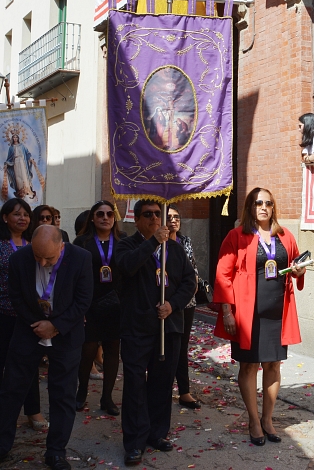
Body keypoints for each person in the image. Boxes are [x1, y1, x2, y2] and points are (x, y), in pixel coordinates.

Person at [213, 188, 306, 446]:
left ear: (273, 207)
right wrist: (227, 311)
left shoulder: (284, 235)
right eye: (257, 203)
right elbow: (223, 275)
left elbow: (295, 267)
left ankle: (267, 419)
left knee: (273, 365)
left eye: (267, 203)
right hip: (247, 313)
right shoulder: (236, 236)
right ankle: (253, 420)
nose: (263, 207)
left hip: (278, 311)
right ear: (249, 208)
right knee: (249, 366)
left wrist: (298, 271)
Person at [0, 225, 93, 470]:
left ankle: (55, 451)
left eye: (48, 258)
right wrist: (38, 324)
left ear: (61, 245)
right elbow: (15, 295)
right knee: (12, 389)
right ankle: (2, 444)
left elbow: (83, 299)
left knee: (62, 394)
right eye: (37, 256)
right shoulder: (20, 258)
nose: (41, 263)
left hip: (66, 334)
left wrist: (55, 326)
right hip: (29, 330)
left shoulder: (81, 258)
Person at [114, 200, 196, 467]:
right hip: (137, 328)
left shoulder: (174, 248)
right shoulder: (127, 245)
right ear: (136, 219)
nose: (153, 219)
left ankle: (156, 434)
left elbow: (189, 282)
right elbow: (126, 267)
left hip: (168, 327)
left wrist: (173, 305)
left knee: (161, 384)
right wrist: (152, 243)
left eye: (157, 214)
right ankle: (134, 442)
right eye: (147, 215)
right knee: (136, 386)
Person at [0, 198, 47, 431]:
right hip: (4, 313)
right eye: (16, 214)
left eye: (26, 214)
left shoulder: (34, 243)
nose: (22, 218)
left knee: (28, 365)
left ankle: (33, 411)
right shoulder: (1, 244)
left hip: (29, 314)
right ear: (5, 217)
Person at [73, 201, 122, 416]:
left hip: (116, 304)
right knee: (87, 351)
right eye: (100, 214)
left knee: (112, 351)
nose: (105, 217)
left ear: (114, 217)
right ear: (92, 218)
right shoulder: (81, 242)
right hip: (89, 304)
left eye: (110, 214)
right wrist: (78, 307)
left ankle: (107, 397)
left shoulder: (123, 242)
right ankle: (81, 392)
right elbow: (74, 277)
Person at [166, 205, 200, 410]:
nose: (174, 221)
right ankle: (164, 388)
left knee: (182, 346)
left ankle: (184, 391)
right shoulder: (157, 242)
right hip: (165, 302)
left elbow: (192, 270)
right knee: (167, 346)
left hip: (186, 302)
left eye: (177, 217)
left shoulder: (185, 241)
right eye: (169, 217)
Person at [4, 133, 36, 200]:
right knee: (17, 176)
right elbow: (9, 158)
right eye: (14, 137)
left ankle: (27, 190)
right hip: (15, 162)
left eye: (16, 137)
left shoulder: (22, 146)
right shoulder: (11, 148)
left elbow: (27, 153)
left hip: (22, 161)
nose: (15, 139)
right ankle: (20, 191)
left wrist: (30, 159)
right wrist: (6, 164)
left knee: (24, 175)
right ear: (12, 139)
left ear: (18, 138)